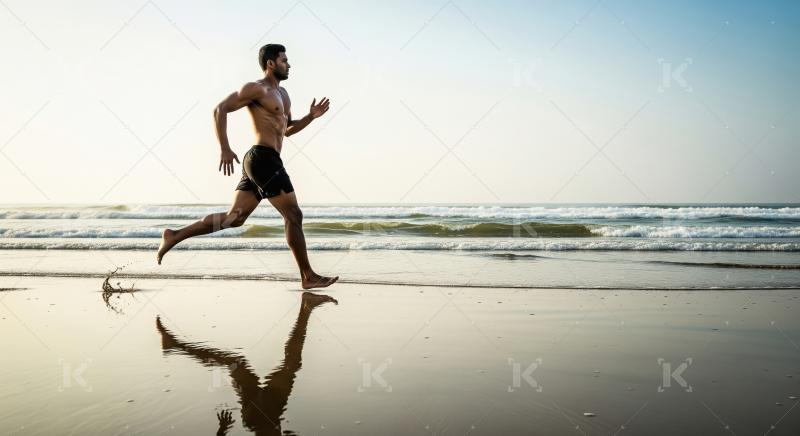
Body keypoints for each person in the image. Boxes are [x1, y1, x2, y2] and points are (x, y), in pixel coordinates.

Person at [156, 44, 338, 289]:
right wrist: (224, 147)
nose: (289, 64)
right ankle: (308, 276)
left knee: (234, 218)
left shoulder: (283, 95)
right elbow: (220, 109)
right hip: (262, 158)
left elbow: (287, 130)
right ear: (271, 63)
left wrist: (310, 117)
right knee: (293, 215)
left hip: (265, 160)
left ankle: (174, 235)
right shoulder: (255, 89)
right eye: (284, 60)